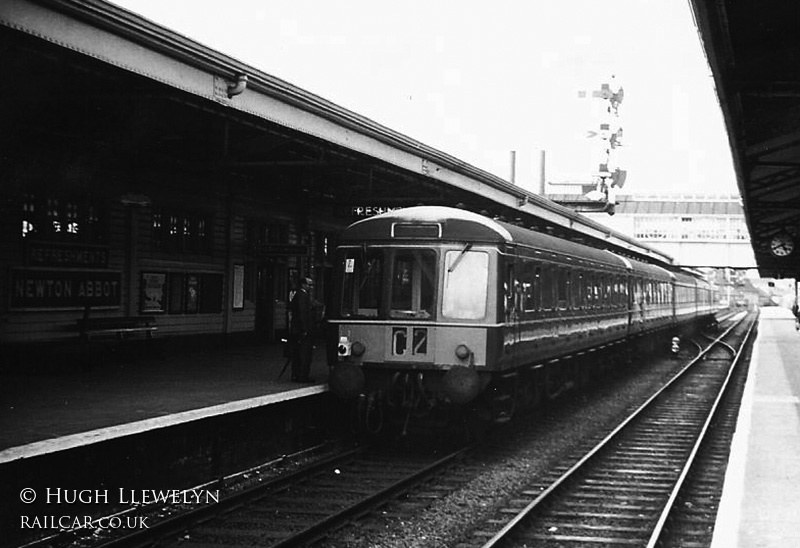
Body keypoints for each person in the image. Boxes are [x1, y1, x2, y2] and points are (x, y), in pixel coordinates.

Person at [289, 277, 322, 382]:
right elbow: (302, 314)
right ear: (303, 285)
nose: (311, 287)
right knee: (304, 354)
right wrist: (305, 329)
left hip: (297, 329)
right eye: (309, 285)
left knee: (297, 354)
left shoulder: (299, 295)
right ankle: (303, 376)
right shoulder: (302, 296)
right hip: (302, 330)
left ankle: (296, 374)